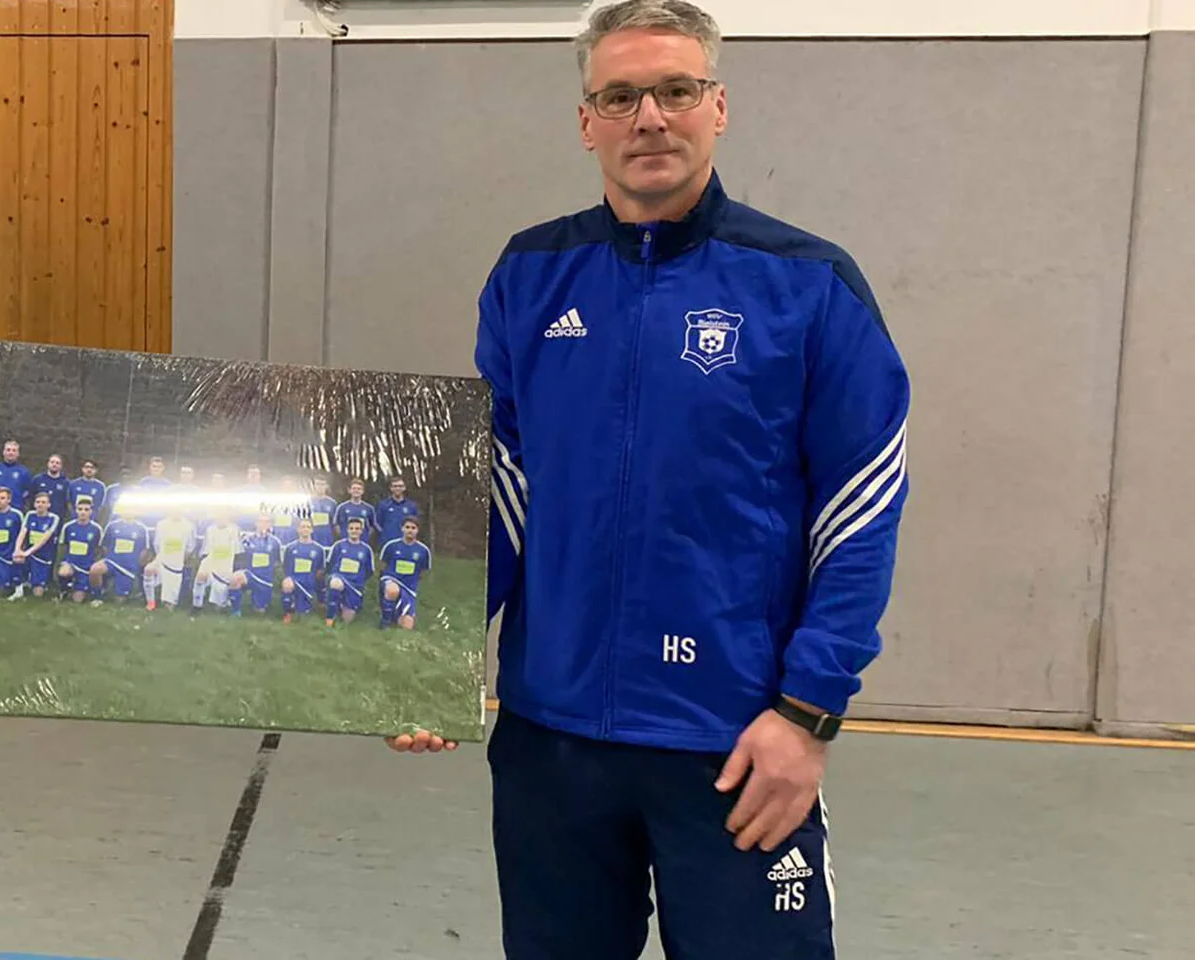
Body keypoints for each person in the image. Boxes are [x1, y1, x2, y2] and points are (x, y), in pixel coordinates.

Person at [389, 3, 911, 959]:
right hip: (551, 741)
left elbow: (860, 512)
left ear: (719, 107)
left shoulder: (808, 284)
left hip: (733, 740)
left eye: (676, 90)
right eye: (620, 96)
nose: (650, 118)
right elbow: (501, 490)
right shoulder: (530, 275)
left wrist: (806, 715)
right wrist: (433, 657)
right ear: (586, 122)